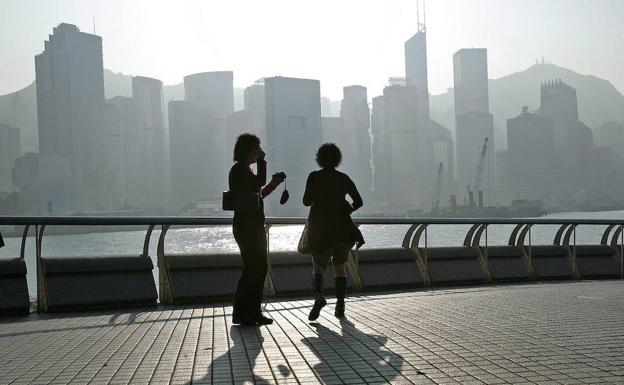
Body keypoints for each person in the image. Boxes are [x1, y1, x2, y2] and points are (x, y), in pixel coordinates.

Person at [303, 143, 364, 320]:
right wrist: (348, 209)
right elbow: (358, 201)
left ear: (319, 158)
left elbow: (306, 201)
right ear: (338, 159)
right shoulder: (343, 178)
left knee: (318, 267)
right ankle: (340, 304)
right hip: (343, 230)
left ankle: (318, 297)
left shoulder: (314, 177)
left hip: (320, 230)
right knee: (340, 267)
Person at [229, 133, 285, 326]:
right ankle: (249, 313)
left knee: (253, 269)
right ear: (248, 151)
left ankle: (245, 313)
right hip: (248, 227)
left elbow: (259, 193)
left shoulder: (243, 172)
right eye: (255, 150)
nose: (258, 153)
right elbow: (259, 183)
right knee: (256, 269)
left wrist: (275, 183)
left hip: (249, 226)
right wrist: (263, 162)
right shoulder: (239, 171)